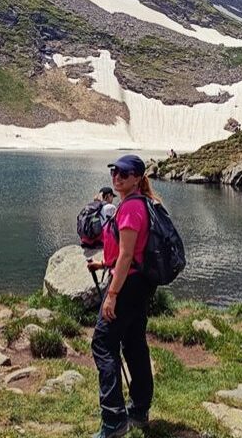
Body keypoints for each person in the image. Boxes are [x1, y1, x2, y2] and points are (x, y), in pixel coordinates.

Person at [87, 155, 157, 438]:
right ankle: (139, 410)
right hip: (140, 283)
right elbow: (132, 253)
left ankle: (114, 419)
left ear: (137, 178)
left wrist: (111, 294)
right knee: (134, 343)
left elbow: (128, 255)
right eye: (114, 172)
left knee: (102, 343)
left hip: (126, 285)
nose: (117, 177)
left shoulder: (129, 209)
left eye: (124, 174)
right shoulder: (143, 203)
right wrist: (104, 264)